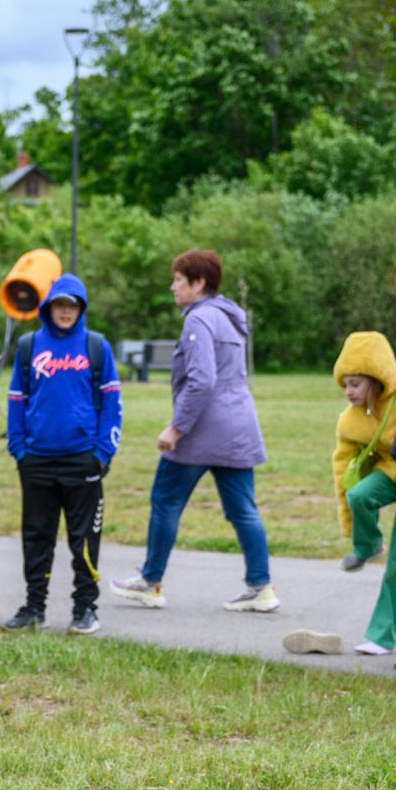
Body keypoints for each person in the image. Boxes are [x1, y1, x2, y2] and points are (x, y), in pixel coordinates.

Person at [106, 250, 275, 615]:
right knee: (243, 509)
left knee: (165, 501)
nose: (172, 287)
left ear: (199, 283)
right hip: (238, 427)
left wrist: (176, 427)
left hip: (201, 429)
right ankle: (261, 588)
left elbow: (202, 380)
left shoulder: (198, 320)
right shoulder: (230, 318)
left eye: (178, 280)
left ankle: (150, 583)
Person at [4, 272, 121, 633]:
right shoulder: (28, 346)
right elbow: (16, 402)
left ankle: (85, 608)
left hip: (83, 459)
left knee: (83, 539)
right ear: (48, 307)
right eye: (59, 304)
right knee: (36, 537)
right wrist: (19, 449)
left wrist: (102, 452)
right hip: (36, 460)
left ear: (80, 308)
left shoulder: (96, 346)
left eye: (72, 305)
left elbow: (112, 402)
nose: (65, 311)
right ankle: (33, 607)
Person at [329, 332, 396, 656]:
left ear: (375, 379)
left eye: (355, 383)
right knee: (358, 494)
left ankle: (382, 636)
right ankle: (370, 546)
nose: (348, 391)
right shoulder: (349, 420)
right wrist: (350, 530)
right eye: (344, 384)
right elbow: (343, 474)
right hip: (387, 474)